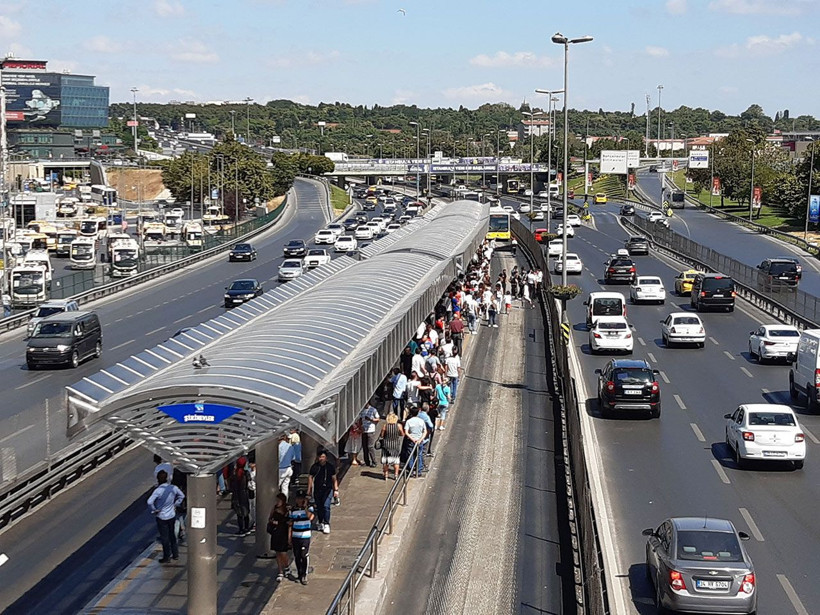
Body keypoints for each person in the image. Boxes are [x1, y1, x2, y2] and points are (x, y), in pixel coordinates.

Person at [147, 470, 185, 564]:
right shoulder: (173, 488)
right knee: (172, 535)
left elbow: (149, 502)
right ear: (167, 478)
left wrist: (154, 509)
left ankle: (166, 556)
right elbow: (182, 496)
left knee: (164, 537)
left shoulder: (158, 491)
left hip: (161, 516)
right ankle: (175, 554)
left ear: (158, 479)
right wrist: (176, 504)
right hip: (171, 514)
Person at [307, 450, 338, 535]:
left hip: (328, 490)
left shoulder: (330, 467)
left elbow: (334, 478)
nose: (321, 459)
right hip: (318, 490)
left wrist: (336, 490)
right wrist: (309, 490)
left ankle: (327, 523)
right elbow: (310, 478)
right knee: (319, 506)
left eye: (323, 457)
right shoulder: (314, 467)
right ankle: (321, 522)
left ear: (326, 458)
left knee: (326, 506)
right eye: (320, 457)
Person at [289, 492, 314, 585]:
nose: (299, 500)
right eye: (298, 498)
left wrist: (305, 507)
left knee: (304, 555)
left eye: (301, 499)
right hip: (295, 535)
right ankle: (299, 573)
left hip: (305, 536)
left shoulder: (309, 508)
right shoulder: (293, 510)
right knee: (297, 555)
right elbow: (290, 523)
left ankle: (304, 574)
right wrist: (289, 537)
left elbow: (310, 517)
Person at [267, 493, 291, 582]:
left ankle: (286, 566)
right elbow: (270, 518)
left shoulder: (287, 510)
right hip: (276, 533)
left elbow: (289, 524)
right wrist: (272, 522)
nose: (277, 502)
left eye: (279, 500)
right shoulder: (274, 509)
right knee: (278, 553)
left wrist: (289, 537)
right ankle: (280, 571)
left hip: (283, 533)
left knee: (283, 553)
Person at [230, 457, 252, 535]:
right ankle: (246, 527)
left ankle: (241, 529)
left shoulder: (234, 473)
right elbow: (250, 483)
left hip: (236, 495)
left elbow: (231, 485)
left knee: (239, 513)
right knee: (246, 512)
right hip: (244, 494)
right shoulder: (246, 473)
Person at [403, 406, 427, 477]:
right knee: (419, 455)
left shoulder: (409, 421)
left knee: (410, 456)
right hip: (419, 441)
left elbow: (406, 432)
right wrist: (420, 439)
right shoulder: (421, 421)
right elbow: (425, 431)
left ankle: (410, 470)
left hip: (411, 441)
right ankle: (418, 471)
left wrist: (412, 439)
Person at [380, 412, 405, 480]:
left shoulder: (385, 426)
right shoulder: (399, 426)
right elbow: (402, 434)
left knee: (386, 461)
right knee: (396, 461)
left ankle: (386, 475)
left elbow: (382, 435)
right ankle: (396, 475)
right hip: (395, 445)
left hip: (386, 445)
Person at [360, 400, 381, 468]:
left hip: (371, 430)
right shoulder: (362, 410)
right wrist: (361, 426)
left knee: (370, 446)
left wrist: (370, 419)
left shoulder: (373, 410)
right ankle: (367, 461)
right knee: (364, 447)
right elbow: (360, 419)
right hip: (364, 430)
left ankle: (374, 461)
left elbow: (378, 419)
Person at [278, 434, 295, 500]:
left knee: (276, 487)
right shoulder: (290, 446)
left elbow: (277, 458)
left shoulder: (279, 447)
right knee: (285, 487)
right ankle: (285, 502)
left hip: (281, 469)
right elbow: (293, 458)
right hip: (289, 468)